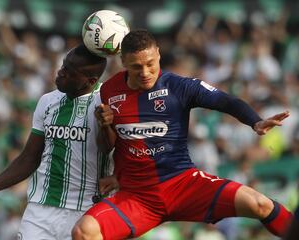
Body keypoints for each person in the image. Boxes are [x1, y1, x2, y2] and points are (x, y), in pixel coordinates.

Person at [72, 30, 293, 239]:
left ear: (158, 53)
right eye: (136, 67)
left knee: (260, 204)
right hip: (138, 197)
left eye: (150, 64)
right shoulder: (109, 91)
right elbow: (106, 146)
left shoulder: (178, 86)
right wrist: (105, 125)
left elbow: (224, 100)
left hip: (183, 185)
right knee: (84, 232)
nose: (146, 72)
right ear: (123, 63)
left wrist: (254, 120)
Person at [0, 44, 117, 240]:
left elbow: (106, 148)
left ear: (90, 80)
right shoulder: (47, 101)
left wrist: (105, 125)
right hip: (42, 208)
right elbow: (30, 157)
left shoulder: (107, 102)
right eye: (63, 66)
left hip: (87, 210)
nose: (60, 73)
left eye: (69, 71)